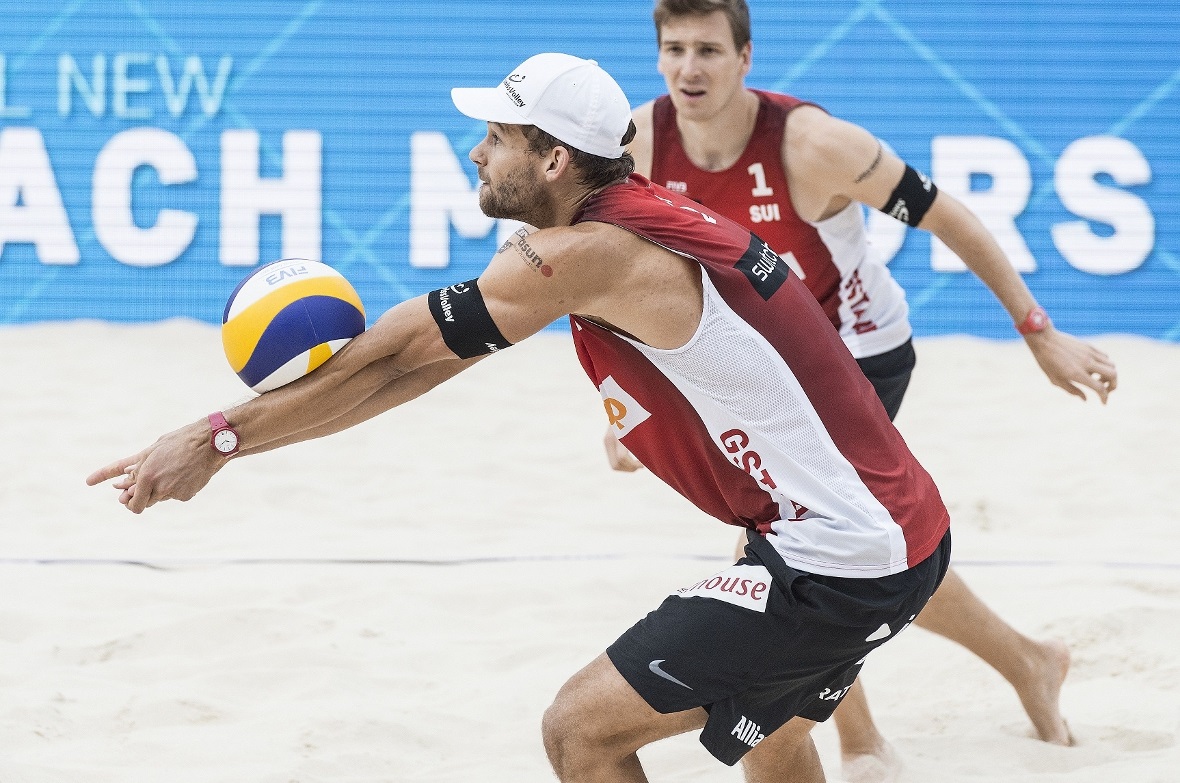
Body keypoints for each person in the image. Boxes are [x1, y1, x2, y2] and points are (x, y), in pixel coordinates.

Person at [90, 53, 955, 782]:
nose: (475, 151)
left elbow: (399, 355)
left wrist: (217, 436)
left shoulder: (586, 254)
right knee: (772, 731)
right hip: (893, 527)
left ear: (551, 162)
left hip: (842, 557)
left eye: (497, 137)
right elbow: (415, 370)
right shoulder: (638, 217)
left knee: (580, 730)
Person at [600, 1, 1118, 780]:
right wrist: (625, 410)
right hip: (752, 368)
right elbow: (620, 282)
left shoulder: (813, 145)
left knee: (797, 552)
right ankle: (1027, 661)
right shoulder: (640, 144)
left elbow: (952, 218)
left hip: (859, 357)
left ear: (746, 57)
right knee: (862, 548)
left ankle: (861, 740)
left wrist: (1037, 329)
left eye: (708, 49)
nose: (689, 68)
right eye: (673, 49)